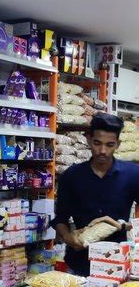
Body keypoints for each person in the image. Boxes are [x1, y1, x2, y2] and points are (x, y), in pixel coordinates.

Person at [55, 113, 139, 276]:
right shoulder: (72, 176)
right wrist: (67, 237)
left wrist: (121, 226)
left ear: (118, 144)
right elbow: (60, 218)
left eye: (110, 145)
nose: (102, 151)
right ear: (88, 140)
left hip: (117, 262)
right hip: (79, 262)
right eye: (97, 143)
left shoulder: (133, 175)